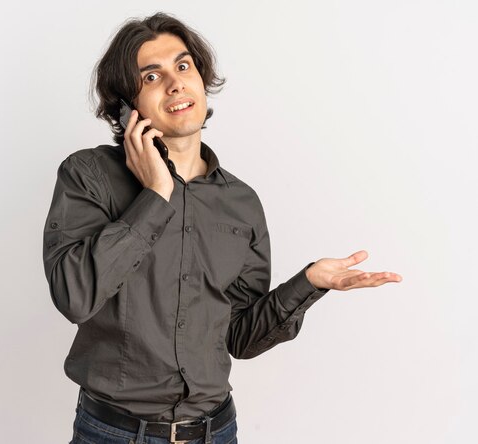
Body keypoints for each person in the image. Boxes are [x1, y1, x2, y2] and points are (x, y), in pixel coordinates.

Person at [42, 12, 402, 444]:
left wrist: (308, 283)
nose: (175, 84)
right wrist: (157, 194)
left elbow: (241, 338)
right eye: (151, 76)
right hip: (114, 433)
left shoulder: (241, 204)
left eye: (183, 66)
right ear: (126, 104)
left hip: (215, 431)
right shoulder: (88, 175)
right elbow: (74, 297)